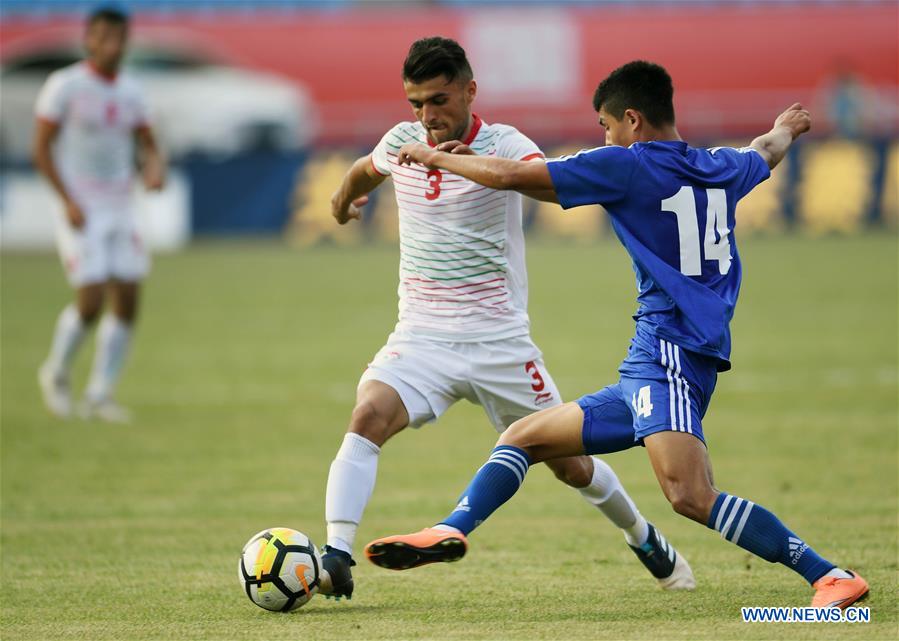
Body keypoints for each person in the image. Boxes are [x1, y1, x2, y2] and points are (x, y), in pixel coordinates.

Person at [365, 61, 869, 610]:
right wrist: (788, 127)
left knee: (689, 496)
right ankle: (451, 528)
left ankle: (829, 575)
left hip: (672, 358)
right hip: (650, 362)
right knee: (523, 438)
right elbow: (765, 151)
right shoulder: (723, 166)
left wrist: (437, 157)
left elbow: (518, 178)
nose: (604, 136)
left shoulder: (627, 166)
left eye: (606, 125)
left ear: (632, 119)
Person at [319, 39, 693, 600]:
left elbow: (539, 181)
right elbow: (362, 170)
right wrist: (342, 201)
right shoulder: (401, 141)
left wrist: (456, 162)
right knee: (368, 415)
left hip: (500, 343)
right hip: (421, 337)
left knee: (572, 466)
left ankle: (642, 536)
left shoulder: (505, 144)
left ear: (470, 91)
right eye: (416, 103)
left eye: (439, 100)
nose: (427, 116)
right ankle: (335, 555)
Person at [34, 3, 165, 423]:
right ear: (89, 39)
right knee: (90, 303)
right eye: (104, 37)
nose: (112, 45)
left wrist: (154, 166)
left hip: (122, 204)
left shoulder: (131, 91)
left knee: (127, 299)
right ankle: (56, 371)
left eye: (119, 38)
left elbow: (148, 141)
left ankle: (99, 393)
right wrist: (66, 199)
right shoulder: (65, 86)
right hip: (81, 206)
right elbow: (40, 148)